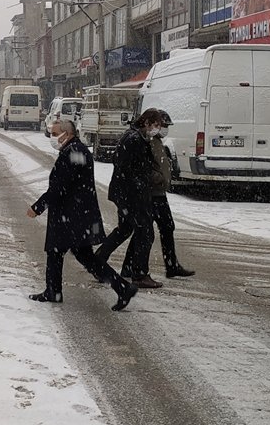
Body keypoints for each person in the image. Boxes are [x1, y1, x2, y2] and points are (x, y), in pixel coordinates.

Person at [27, 118, 138, 311]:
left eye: (55, 134)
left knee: (57, 251)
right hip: (78, 214)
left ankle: (54, 291)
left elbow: (60, 187)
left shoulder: (74, 152)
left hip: (71, 215)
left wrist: (38, 206)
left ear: (67, 133)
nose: (52, 137)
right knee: (82, 256)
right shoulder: (76, 150)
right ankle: (121, 287)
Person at [95, 108, 159, 285]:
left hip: (126, 193)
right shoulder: (134, 139)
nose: (157, 129)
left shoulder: (136, 137)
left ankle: (100, 261)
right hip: (130, 195)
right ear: (146, 122)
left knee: (125, 229)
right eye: (155, 125)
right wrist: (139, 184)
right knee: (145, 232)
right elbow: (123, 165)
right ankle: (139, 274)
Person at [147, 110, 194, 280]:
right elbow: (145, 167)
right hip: (152, 193)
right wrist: (158, 178)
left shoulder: (157, 141)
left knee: (162, 228)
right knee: (147, 231)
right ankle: (169, 265)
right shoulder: (148, 142)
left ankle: (171, 265)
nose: (166, 129)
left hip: (158, 192)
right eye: (164, 125)